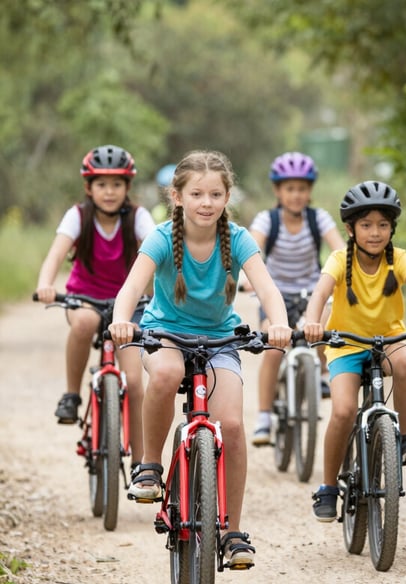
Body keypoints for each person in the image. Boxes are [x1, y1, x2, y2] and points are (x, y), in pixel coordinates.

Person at [107, 150, 291, 568]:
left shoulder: (239, 239)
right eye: (196, 194)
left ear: (227, 197)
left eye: (215, 194)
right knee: (167, 372)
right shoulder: (160, 237)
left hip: (220, 340)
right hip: (165, 333)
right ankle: (150, 465)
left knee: (232, 424)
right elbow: (131, 289)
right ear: (177, 196)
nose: (205, 202)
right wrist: (122, 321)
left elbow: (267, 289)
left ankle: (232, 533)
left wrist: (278, 323)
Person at [303, 180, 406, 522]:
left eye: (383, 225)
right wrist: (313, 322)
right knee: (342, 412)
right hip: (345, 343)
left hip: (388, 338)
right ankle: (328, 486)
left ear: (392, 228)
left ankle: (403, 437)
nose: (375, 233)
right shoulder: (340, 259)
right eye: (366, 225)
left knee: (405, 363)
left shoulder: (399, 259)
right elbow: (319, 295)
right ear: (350, 229)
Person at [36, 144, 152, 467]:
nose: (110, 192)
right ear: (89, 187)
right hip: (84, 298)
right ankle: (72, 395)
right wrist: (45, 284)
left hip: (128, 305)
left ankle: (143, 463)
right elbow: (56, 254)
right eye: (102, 184)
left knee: (136, 380)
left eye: (117, 184)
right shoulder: (78, 216)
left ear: (128, 187)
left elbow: (160, 251)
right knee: (85, 324)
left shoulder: (138, 218)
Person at [248, 152, 345, 446]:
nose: (296, 195)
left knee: (324, 327)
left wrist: (349, 272)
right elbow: (251, 249)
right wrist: (242, 280)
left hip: (312, 291)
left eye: (302, 189)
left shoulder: (318, 219)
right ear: (278, 191)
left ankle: (323, 374)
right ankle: (264, 416)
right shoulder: (268, 219)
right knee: (274, 347)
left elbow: (340, 251)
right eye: (289, 189)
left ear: (310, 191)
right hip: (275, 295)